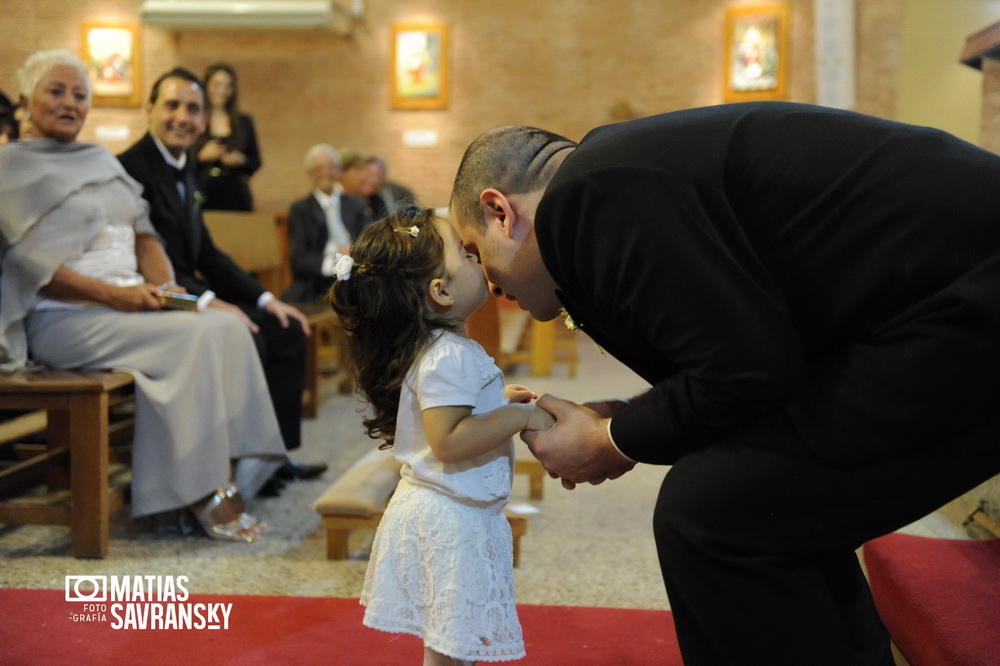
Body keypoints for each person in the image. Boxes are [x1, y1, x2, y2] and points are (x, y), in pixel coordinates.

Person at [449, 103, 1000, 665]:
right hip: (940, 306)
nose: (488, 280)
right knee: (764, 496)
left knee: (712, 513)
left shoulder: (586, 197)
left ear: (499, 211)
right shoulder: (616, 176)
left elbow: (751, 374)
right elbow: (740, 353)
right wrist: (619, 416)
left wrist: (611, 439)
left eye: (474, 252)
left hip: (970, 304)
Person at [0, 49, 285, 541]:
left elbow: (145, 235)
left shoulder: (97, 161)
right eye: (56, 91)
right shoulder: (9, 168)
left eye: (79, 95)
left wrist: (167, 289)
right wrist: (115, 295)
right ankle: (187, 492)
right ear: (26, 99)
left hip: (125, 304)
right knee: (190, 338)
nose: (70, 103)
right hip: (62, 317)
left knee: (227, 326)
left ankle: (233, 471)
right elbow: (31, 268)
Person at [329, 205, 554, 665]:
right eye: (465, 256)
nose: (477, 258)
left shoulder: (437, 349)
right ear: (441, 292)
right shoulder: (450, 355)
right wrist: (518, 418)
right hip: (451, 518)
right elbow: (449, 439)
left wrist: (494, 400)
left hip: (442, 510)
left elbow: (444, 409)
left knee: (453, 640)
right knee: (451, 648)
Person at [118, 67, 326, 494]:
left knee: (286, 328)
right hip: (159, 300)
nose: (183, 117)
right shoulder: (130, 170)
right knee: (247, 333)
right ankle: (239, 458)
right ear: (148, 109)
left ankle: (273, 455)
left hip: (190, 290)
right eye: (172, 105)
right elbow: (145, 267)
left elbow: (207, 254)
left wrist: (267, 299)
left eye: (193, 109)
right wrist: (212, 302)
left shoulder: (186, 167)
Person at [282, 143, 371, 303]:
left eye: (331, 167)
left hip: (356, 272)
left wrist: (352, 253)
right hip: (318, 280)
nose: (326, 173)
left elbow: (368, 240)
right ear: (311, 173)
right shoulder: (301, 209)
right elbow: (299, 258)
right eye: (319, 168)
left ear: (338, 171)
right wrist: (334, 264)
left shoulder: (356, 205)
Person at [193, 63, 260, 211]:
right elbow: (180, 161)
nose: (223, 91)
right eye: (217, 85)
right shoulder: (195, 120)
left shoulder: (244, 122)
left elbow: (256, 161)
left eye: (228, 86)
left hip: (236, 195)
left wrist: (241, 160)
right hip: (203, 192)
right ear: (206, 87)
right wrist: (201, 156)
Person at [339, 147, 387, 220]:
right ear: (342, 172)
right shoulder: (333, 200)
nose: (363, 176)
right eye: (358, 169)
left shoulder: (371, 199)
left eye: (364, 170)